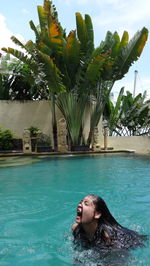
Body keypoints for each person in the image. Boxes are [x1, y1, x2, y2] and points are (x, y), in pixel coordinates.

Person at [72, 194, 147, 250]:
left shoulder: (107, 237)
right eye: (80, 202)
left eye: (86, 204)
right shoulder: (75, 229)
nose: (80, 205)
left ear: (97, 214)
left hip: (131, 240)